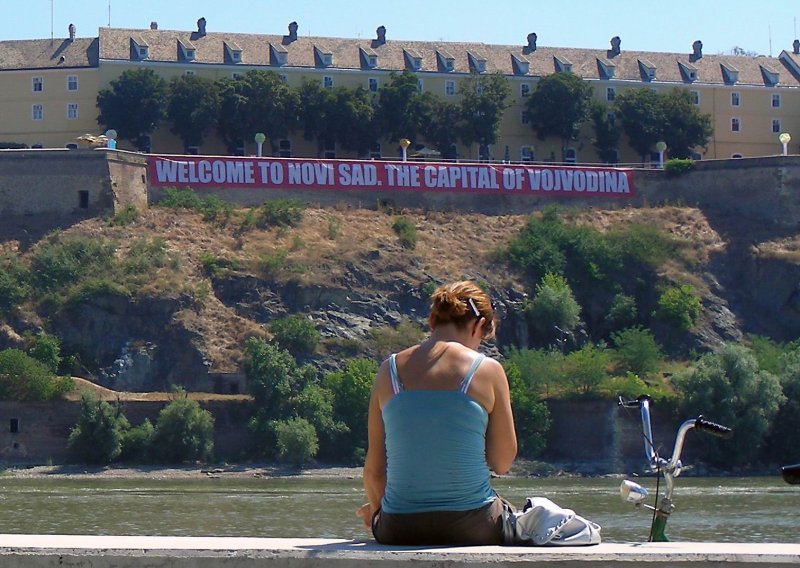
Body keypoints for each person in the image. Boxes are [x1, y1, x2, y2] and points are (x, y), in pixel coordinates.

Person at [356, 281, 517, 545]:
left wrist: (379, 511)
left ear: (432, 320)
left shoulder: (389, 370)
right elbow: (502, 462)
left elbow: (374, 472)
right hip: (474, 525)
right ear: (478, 326)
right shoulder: (488, 370)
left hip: (398, 528)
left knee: (379, 510)